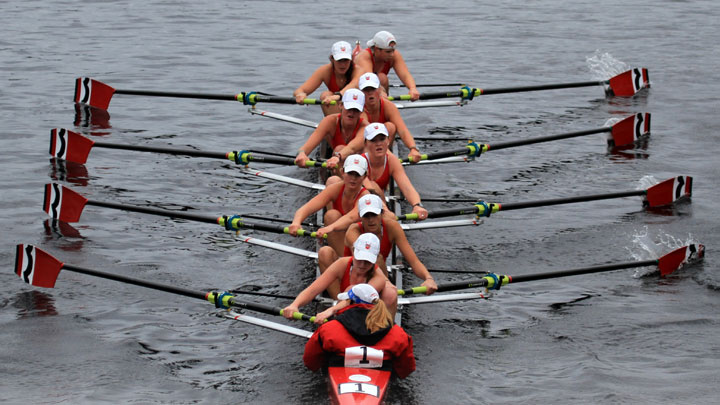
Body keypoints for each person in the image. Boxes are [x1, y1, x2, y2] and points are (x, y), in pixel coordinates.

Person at [317, 193, 438, 294]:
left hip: (376, 277)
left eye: (374, 215)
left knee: (377, 260)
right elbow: (363, 262)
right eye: (366, 216)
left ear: (381, 214)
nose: (371, 220)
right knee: (325, 252)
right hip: (351, 279)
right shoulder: (353, 231)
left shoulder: (392, 227)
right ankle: (340, 303)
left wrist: (428, 278)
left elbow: (414, 261)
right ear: (359, 217)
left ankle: (382, 299)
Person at [301, 283, 416, 379]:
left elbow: (310, 362)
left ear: (351, 303)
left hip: (339, 376)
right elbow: (406, 369)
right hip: (379, 379)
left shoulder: (329, 329)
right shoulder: (397, 333)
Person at [282, 233, 398, 318]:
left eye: (367, 261)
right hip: (347, 304)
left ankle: (387, 330)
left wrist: (330, 310)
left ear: (376, 258)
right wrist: (295, 305)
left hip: (369, 314)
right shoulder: (342, 264)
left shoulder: (378, 277)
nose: (362, 265)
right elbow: (314, 289)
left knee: (390, 292)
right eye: (360, 259)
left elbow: (352, 297)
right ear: (353, 251)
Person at [288, 155, 370, 257]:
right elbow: (307, 207)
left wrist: (328, 228)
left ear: (365, 176)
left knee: (333, 217)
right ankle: (344, 260)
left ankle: (349, 262)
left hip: (360, 242)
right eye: (350, 173)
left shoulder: (365, 197)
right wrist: (296, 222)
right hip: (340, 236)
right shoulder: (336, 189)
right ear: (342, 172)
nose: (353, 179)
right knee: (331, 217)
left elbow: (351, 217)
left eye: (357, 175)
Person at [294, 89, 368, 170]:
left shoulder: (365, 127)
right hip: (338, 164)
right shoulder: (329, 121)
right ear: (340, 105)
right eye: (349, 108)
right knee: (339, 149)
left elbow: (352, 148)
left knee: (339, 149)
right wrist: (301, 154)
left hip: (359, 167)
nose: (352, 113)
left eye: (356, 110)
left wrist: (337, 157)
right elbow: (305, 148)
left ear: (361, 112)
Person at [359, 72, 422, 163]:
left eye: (373, 89)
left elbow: (402, 129)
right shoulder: (357, 109)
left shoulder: (388, 106)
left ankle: (385, 157)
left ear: (379, 90)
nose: (370, 93)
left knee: (390, 127)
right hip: (363, 144)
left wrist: (413, 149)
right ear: (360, 92)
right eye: (366, 90)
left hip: (380, 144)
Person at [349, 31, 420, 101]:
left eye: (393, 50)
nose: (392, 54)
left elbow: (405, 75)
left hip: (375, 89)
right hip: (357, 87)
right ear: (377, 49)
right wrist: (381, 92)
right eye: (388, 52)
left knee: (382, 78)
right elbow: (369, 81)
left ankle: (383, 104)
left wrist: (412, 88)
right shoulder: (364, 57)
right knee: (382, 78)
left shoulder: (394, 55)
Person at [293, 41, 355, 116]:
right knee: (326, 95)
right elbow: (300, 90)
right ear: (332, 59)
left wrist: (337, 96)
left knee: (329, 98)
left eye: (346, 60)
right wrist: (300, 95)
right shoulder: (325, 71)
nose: (343, 65)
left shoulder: (357, 70)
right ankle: (337, 125)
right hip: (341, 109)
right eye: (339, 60)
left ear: (351, 59)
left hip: (358, 109)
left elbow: (355, 83)